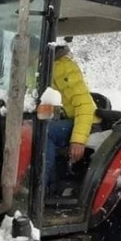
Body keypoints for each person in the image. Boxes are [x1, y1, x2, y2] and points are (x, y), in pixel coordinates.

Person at [45, 42, 101, 192]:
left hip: (86, 122)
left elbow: (85, 106)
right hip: (62, 119)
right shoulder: (37, 68)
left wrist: (78, 140)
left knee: (44, 132)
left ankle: (42, 189)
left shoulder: (62, 68)